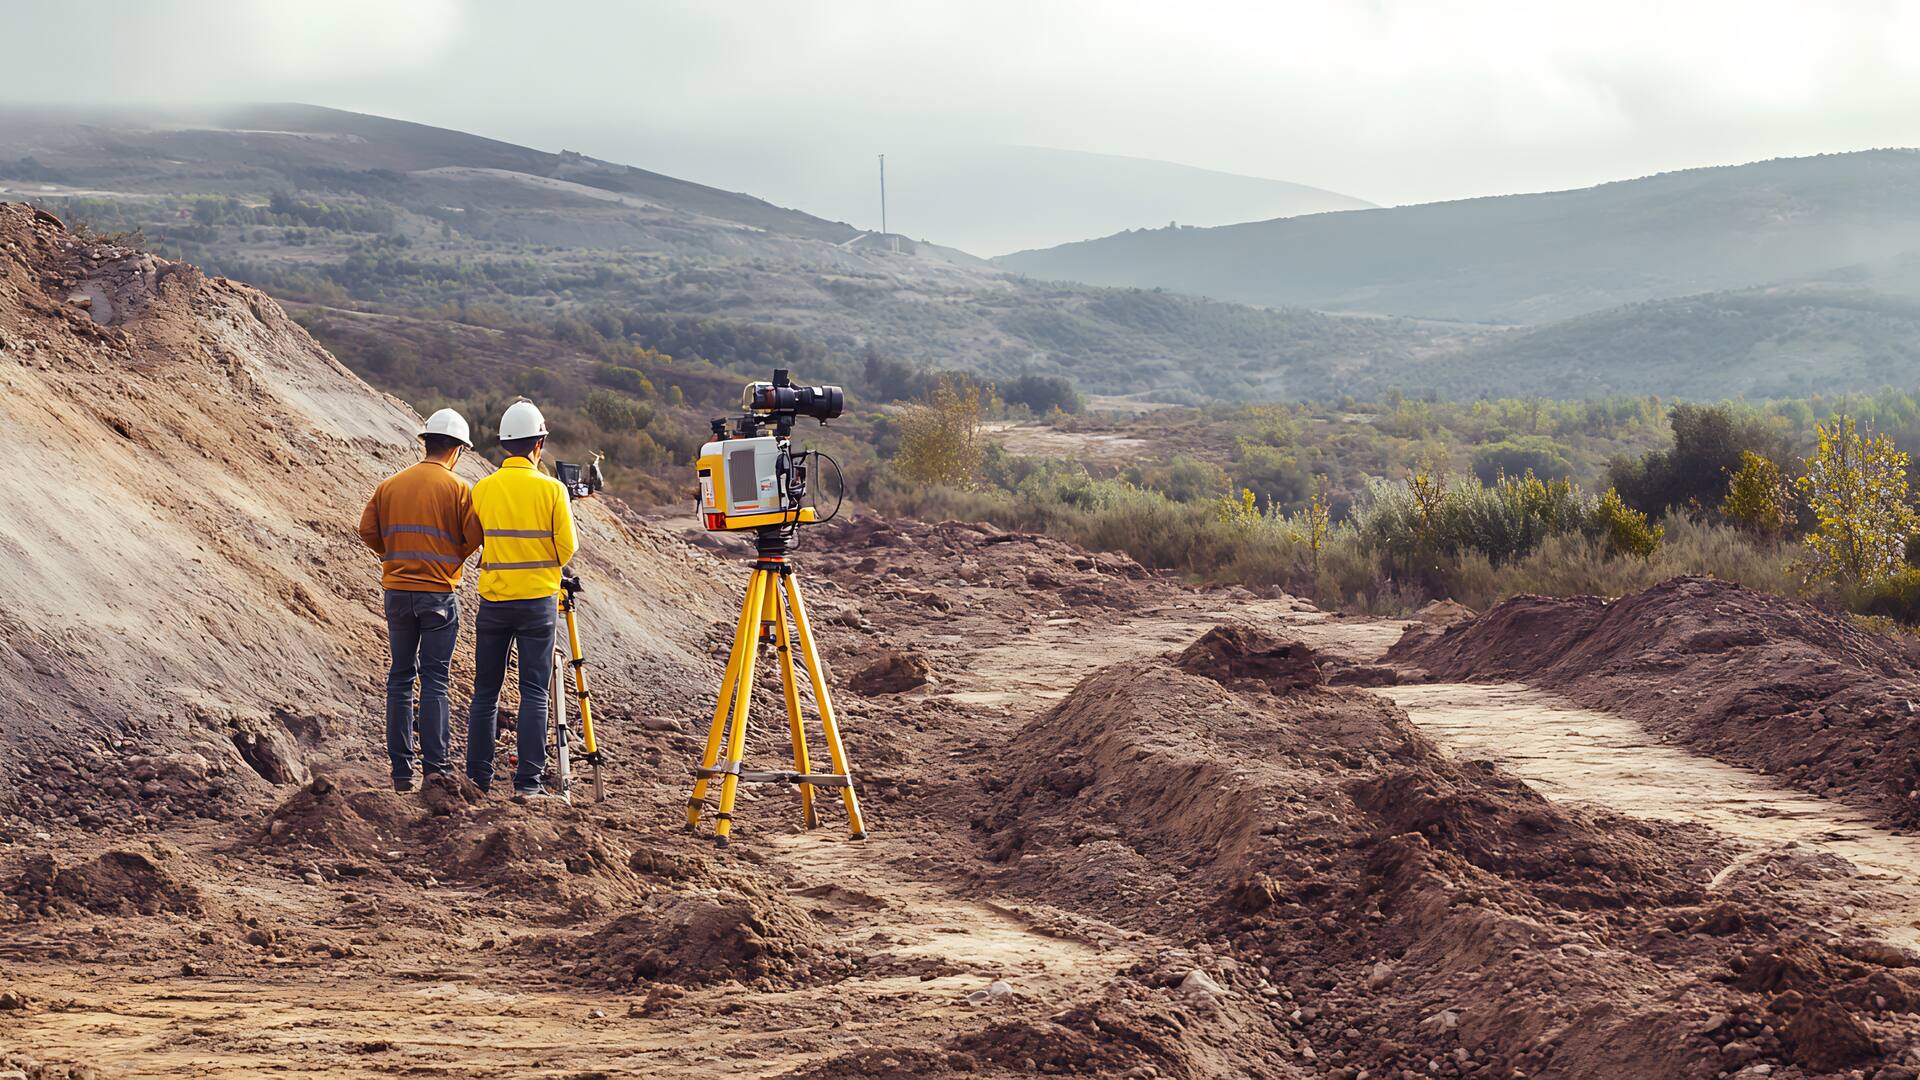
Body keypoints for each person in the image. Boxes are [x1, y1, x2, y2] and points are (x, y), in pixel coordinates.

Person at [357, 409, 483, 793]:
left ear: (426, 442)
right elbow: (473, 537)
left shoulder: (390, 485)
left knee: (399, 678)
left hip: (396, 592)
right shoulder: (460, 490)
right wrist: (449, 561)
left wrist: (392, 554)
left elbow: (367, 530)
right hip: (438, 594)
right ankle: (436, 770)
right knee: (435, 681)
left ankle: (401, 774)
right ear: (458, 450)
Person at [464, 399, 578, 799]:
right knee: (533, 692)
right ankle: (528, 783)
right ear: (539, 444)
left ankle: (476, 780)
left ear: (504, 445)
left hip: (493, 601)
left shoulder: (483, 489)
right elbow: (567, 548)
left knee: (485, 692)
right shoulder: (552, 489)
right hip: (537, 604)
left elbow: (473, 539)